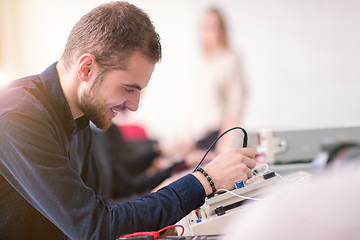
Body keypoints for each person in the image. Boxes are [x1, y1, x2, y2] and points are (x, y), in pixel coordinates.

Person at [0, 2, 256, 239]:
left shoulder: (79, 116)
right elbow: (94, 226)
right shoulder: (19, 118)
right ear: (86, 68)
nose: (134, 106)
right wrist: (203, 181)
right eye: (128, 88)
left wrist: (183, 186)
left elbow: (106, 203)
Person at [184, 7, 245, 154]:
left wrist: (224, 143)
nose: (211, 33)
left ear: (223, 30)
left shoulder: (230, 58)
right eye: (206, 28)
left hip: (217, 136)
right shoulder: (199, 60)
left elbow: (235, 104)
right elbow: (194, 104)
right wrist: (185, 138)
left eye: (215, 27)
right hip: (197, 138)